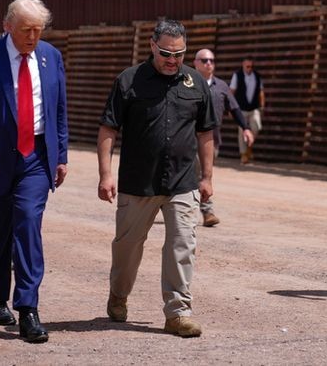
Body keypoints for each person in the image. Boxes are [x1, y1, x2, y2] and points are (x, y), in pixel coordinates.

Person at [0, 0, 68, 344]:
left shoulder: (51, 57)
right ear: (7, 25)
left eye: (38, 30)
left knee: (28, 223)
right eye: (26, 30)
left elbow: (59, 110)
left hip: (35, 156)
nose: (33, 37)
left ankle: (28, 308)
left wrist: (60, 155)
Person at [97, 19, 217, 337]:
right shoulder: (129, 81)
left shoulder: (195, 83)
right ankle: (119, 294)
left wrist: (207, 178)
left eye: (179, 54)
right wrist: (106, 174)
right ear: (152, 46)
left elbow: (206, 133)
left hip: (182, 182)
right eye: (166, 53)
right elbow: (109, 128)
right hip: (138, 183)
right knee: (128, 247)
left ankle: (178, 312)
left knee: (182, 245)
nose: (172, 60)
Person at [192, 48, 254, 226]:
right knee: (199, 173)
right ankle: (207, 211)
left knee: (203, 174)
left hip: (213, 140)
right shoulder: (187, 83)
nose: (209, 63)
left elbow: (234, 109)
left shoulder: (221, 86)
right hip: (188, 138)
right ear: (196, 63)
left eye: (211, 60)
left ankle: (183, 208)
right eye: (204, 60)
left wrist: (246, 128)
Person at [229, 56, 264, 164]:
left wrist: (262, 106)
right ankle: (243, 154)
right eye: (248, 66)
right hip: (241, 108)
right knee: (242, 131)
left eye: (251, 66)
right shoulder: (237, 75)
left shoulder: (257, 76)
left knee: (256, 127)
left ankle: (249, 147)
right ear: (243, 66)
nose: (250, 68)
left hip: (254, 108)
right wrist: (231, 108)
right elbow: (231, 91)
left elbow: (261, 92)